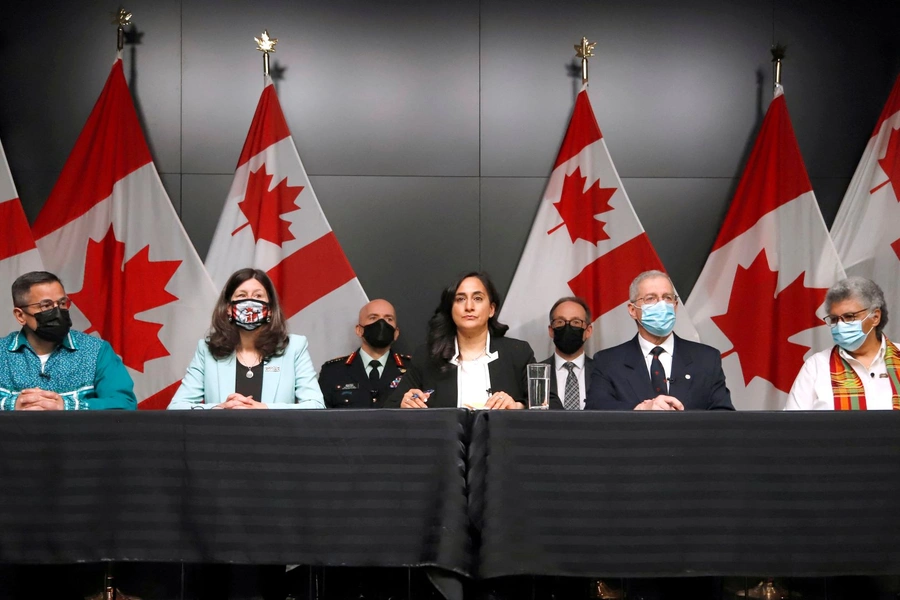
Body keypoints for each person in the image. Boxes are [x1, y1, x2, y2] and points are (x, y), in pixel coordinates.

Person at [168, 268, 324, 409]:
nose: (250, 302)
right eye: (242, 295)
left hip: (275, 439)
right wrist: (220, 408)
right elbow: (176, 406)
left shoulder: (294, 347)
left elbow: (316, 405)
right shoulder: (207, 349)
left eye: (258, 296)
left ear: (270, 309)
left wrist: (263, 409)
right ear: (229, 308)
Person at [585, 270, 734, 411]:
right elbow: (595, 409)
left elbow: (723, 416)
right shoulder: (608, 361)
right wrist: (641, 409)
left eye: (667, 298)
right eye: (651, 298)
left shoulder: (706, 359)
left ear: (675, 306)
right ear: (632, 310)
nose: (662, 304)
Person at [385, 271, 534, 409]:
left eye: (478, 298)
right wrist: (405, 403)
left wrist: (517, 407)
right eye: (460, 299)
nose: (469, 307)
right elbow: (390, 408)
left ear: (491, 309)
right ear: (451, 309)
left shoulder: (518, 353)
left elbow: (549, 404)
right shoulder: (426, 356)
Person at [0, 271, 136, 411]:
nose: (57, 312)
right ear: (20, 315)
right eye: (46, 306)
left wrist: (68, 406)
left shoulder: (96, 351)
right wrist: (12, 405)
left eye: (62, 303)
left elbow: (125, 405)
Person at [786, 276, 896, 410]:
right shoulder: (816, 366)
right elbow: (792, 426)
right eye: (834, 319)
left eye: (849, 317)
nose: (840, 325)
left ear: (875, 317)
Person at [318, 299, 411, 408]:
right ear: (359, 330)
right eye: (373, 318)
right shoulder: (332, 371)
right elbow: (320, 419)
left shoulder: (412, 369)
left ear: (396, 333)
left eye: (388, 319)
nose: (381, 323)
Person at [543, 296, 594, 410]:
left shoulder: (603, 373)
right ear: (551, 330)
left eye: (576, 322)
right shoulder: (536, 374)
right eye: (560, 322)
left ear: (588, 331)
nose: (567, 327)